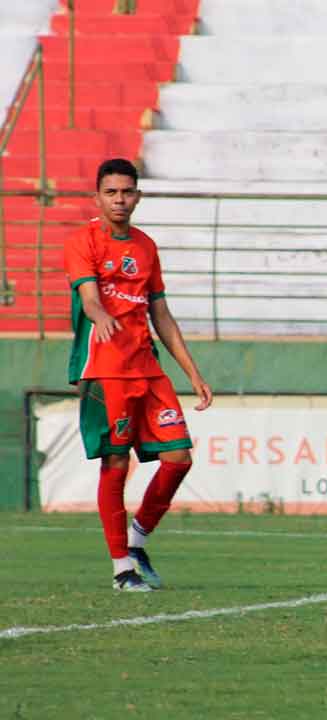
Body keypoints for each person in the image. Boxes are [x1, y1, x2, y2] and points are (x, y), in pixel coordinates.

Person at [63, 158, 213, 592]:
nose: (120, 199)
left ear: (138, 197)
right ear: (98, 197)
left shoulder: (146, 247)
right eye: (111, 192)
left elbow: (161, 315)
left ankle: (138, 540)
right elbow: (89, 298)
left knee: (179, 458)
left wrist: (193, 373)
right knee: (115, 462)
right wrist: (101, 315)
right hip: (105, 370)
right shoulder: (82, 241)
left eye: (127, 192)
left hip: (147, 369)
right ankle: (121, 569)